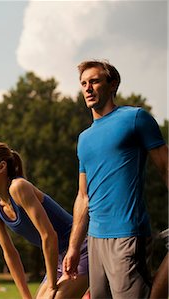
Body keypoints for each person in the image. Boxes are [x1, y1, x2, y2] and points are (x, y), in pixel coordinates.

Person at [62, 60, 168, 298]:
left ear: (113, 85)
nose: (88, 88)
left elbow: (165, 166)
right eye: (83, 83)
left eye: (95, 81)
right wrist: (73, 247)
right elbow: (82, 196)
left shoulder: (135, 118)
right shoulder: (84, 138)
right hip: (95, 240)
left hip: (128, 234)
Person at [0, 142, 89, 299]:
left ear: (1, 167)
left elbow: (49, 235)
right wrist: (26, 296)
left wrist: (52, 285)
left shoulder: (19, 187)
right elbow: (10, 253)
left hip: (80, 249)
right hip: (57, 259)